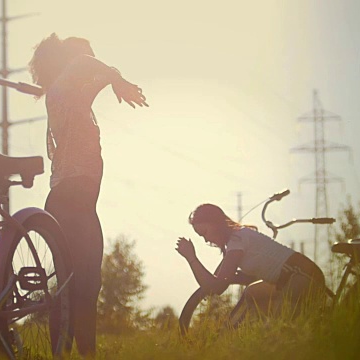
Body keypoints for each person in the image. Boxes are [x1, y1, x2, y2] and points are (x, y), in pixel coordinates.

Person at [28, 33, 148, 356]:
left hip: (75, 202)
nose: (91, 63)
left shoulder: (71, 97)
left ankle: (78, 355)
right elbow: (86, 66)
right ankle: (73, 355)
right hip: (71, 203)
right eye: (88, 56)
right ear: (69, 61)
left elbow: (94, 77)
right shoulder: (62, 90)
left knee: (82, 288)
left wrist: (114, 82)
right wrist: (116, 78)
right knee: (76, 288)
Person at [176, 203, 325, 327]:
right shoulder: (236, 241)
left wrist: (191, 257)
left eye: (205, 232)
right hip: (290, 279)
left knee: (277, 332)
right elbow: (219, 281)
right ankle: (243, 332)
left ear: (216, 224)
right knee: (252, 293)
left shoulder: (237, 239)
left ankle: (274, 329)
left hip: (302, 276)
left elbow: (218, 287)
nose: (206, 240)